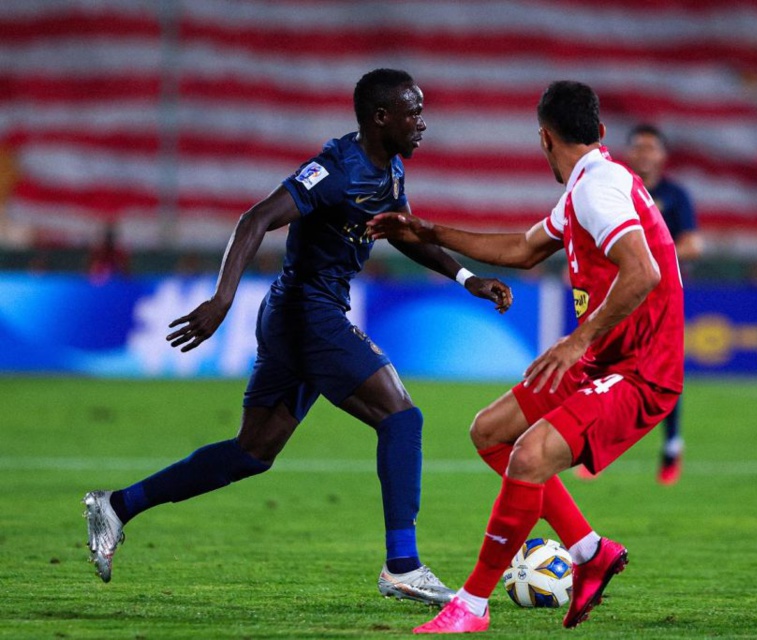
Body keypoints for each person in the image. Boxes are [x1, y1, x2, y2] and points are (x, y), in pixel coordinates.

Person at [82, 69, 513, 606]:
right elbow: (255, 219)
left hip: (298, 316)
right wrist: (222, 299)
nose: (423, 123)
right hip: (307, 313)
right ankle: (403, 566)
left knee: (252, 452)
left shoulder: (390, 168)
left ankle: (117, 506)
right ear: (382, 117)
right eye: (414, 113)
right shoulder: (335, 170)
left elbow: (402, 232)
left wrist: (467, 279)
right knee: (402, 418)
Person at [368, 80, 684, 633]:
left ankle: (471, 604)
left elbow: (643, 272)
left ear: (544, 138)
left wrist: (577, 340)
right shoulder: (590, 184)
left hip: (639, 371)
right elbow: (523, 248)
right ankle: (589, 551)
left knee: (530, 455)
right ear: (600, 131)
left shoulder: (597, 190)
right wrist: (427, 230)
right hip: (604, 361)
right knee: (491, 432)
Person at [623, 123, 702, 485]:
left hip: (662, 296)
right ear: (629, 152)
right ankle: (593, 447)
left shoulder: (675, 195)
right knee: (607, 368)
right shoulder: (618, 189)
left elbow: (693, 245)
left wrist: (650, 257)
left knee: (663, 374)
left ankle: (671, 444)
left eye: (651, 147)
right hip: (621, 293)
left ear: (663, 155)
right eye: (638, 147)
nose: (644, 153)